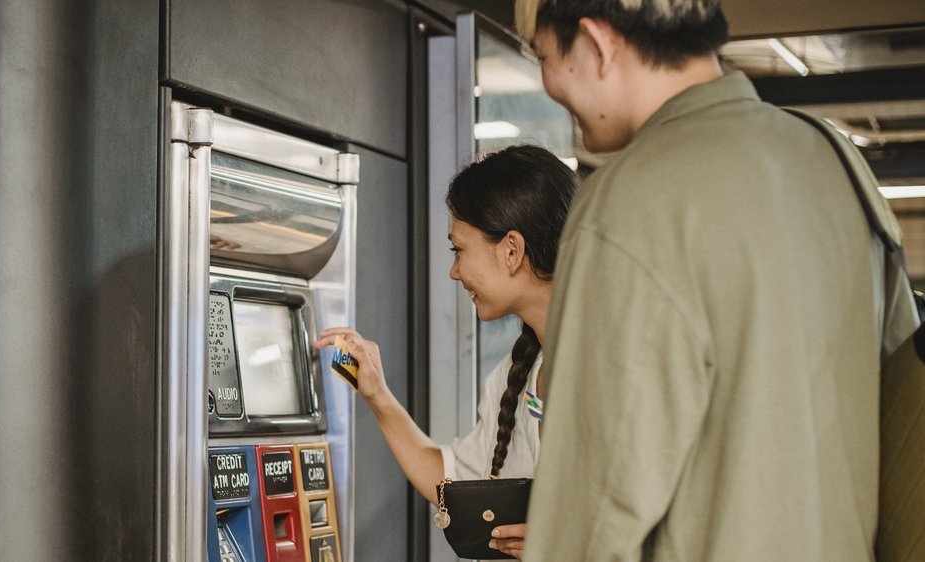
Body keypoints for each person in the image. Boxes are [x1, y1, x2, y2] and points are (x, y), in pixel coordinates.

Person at [514, 0, 919, 560]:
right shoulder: (834, 160)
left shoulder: (630, 201)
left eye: (542, 56)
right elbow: (903, 418)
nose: (548, 84)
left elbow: (592, 517)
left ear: (596, 43)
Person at [315, 144, 577, 560]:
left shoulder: (616, 365)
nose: (454, 271)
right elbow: (450, 483)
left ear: (511, 250)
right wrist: (377, 395)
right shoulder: (519, 371)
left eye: (459, 250)